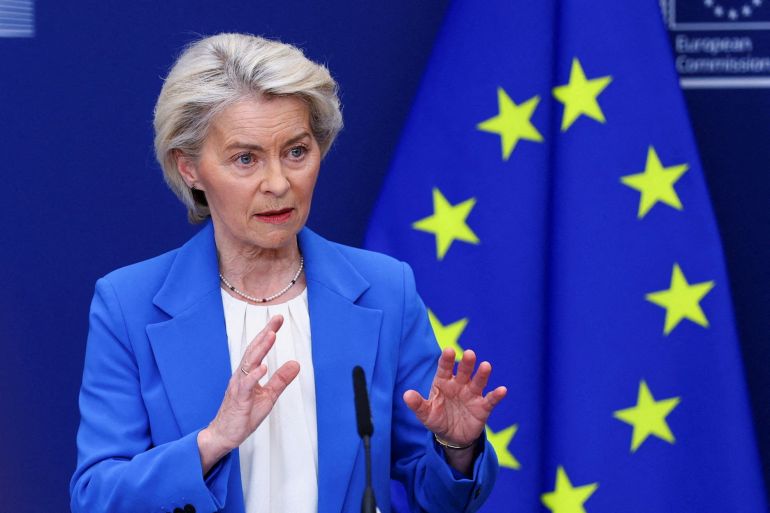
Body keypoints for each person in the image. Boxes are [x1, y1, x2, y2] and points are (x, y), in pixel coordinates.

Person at [70, 33, 507, 513]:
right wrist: (213, 441)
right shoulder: (128, 304)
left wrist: (457, 449)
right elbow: (96, 497)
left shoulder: (385, 290)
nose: (278, 183)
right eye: (245, 158)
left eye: (296, 151)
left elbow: (436, 496)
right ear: (190, 167)